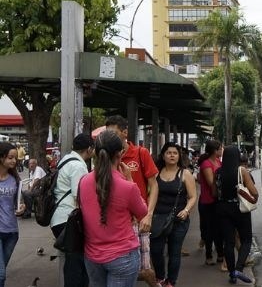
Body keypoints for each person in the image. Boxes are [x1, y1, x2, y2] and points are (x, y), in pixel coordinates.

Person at [79, 130, 148, 287]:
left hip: (92, 255)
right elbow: (142, 212)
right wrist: (130, 179)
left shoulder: (83, 181)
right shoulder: (127, 186)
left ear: (95, 152)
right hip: (122, 255)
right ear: (120, 154)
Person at [105, 115, 159, 286]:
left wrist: (149, 214)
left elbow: (154, 185)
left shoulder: (140, 153)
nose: (109, 138)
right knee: (124, 265)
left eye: (113, 133)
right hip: (116, 222)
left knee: (144, 265)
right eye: (107, 134)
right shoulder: (106, 157)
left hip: (139, 218)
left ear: (125, 132)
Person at [51, 133, 95, 287]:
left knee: (75, 262)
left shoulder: (65, 160)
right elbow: (80, 196)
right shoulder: (78, 165)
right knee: (75, 265)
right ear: (89, 149)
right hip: (69, 221)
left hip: (59, 218)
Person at [150, 142, 197, 287]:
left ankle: (170, 281)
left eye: (175, 153)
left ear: (179, 156)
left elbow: (193, 196)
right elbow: (150, 193)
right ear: (163, 155)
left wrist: (187, 210)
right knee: (155, 250)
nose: (172, 155)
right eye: (169, 153)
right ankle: (160, 277)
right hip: (158, 218)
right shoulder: (156, 172)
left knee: (174, 251)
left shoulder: (185, 173)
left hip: (179, 220)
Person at [215, 146, 259, 284]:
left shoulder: (218, 172)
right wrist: (254, 197)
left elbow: (215, 193)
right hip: (239, 209)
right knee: (246, 239)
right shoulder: (242, 170)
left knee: (229, 242)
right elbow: (254, 192)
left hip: (222, 208)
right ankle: (238, 268)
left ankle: (232, 274)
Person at [0, 142, 26, 287]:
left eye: (15, 158)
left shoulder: (15, 180)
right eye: (10, 158)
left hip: (11, 232)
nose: (14, 161)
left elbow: (19, 202)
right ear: (1, 157)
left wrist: (22, 207)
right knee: (1, 274)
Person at [196, 140, 224, 265]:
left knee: (218, 229)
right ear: (214, 150)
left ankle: (220, 254)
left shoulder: (218, 162)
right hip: (208, 202)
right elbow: (211, 183)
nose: (222, 150)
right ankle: (209, 255)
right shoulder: (206, 164)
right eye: (220, 148)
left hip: (218, 201)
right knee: (209, 230)